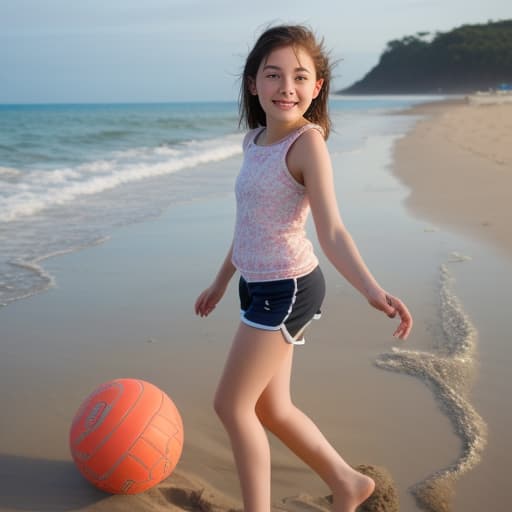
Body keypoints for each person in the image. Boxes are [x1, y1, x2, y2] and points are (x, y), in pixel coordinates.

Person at [195, 24, 413, 512]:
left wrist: (372, 290)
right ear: (253, 83)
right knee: (271, 408)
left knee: (231, 406)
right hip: (255, 287)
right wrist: (220, 281)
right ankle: (348, 483)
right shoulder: (253, 142)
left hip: (288, 289)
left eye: (299, 77)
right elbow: (248, 225)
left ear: (316, 88)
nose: (286, 87)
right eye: (273, 75)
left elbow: (333, 231)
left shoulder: (308, 145)